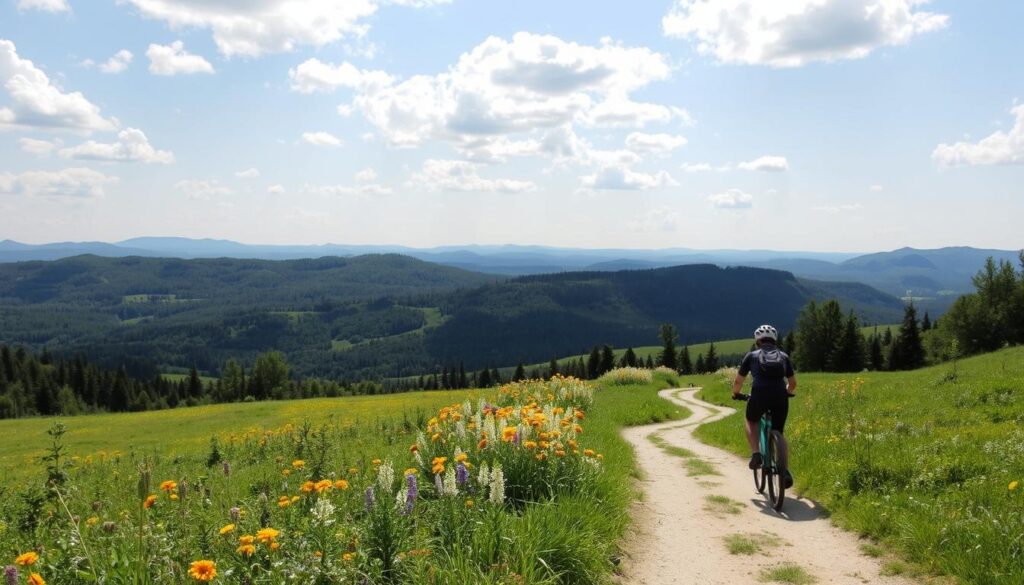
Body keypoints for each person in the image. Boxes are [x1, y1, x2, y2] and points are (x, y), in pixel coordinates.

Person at [732, 324, 797, 488]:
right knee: (779, 432)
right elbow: (793, 383)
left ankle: (756, 454)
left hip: (759, 395)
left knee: (751, 420)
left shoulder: (751, 356)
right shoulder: (783, 356)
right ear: (774, 340)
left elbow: (738, 381)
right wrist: (787, 392)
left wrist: (736, 394)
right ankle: (785, 470)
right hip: (780, 397)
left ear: (757, 340)